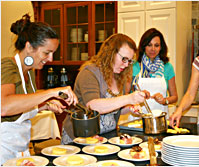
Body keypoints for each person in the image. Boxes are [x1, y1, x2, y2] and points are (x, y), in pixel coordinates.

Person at [1, 14, 78, 165]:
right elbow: (4, 106)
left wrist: (45, 106)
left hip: (20, 148)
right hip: (3, 150)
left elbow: (21, 107)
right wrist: (51, 92)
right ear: (29, 47)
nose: (50, 59)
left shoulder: (29, 72)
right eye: (46, 52)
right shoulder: (7, 66)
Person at [61, 33, 149, 144]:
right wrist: (129, 98)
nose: (126, 65)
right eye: (124, 59)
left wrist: (129, 108)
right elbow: (93, 106)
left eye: (129, 61)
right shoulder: (89, 73)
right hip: (80, 138)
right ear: (110, 53)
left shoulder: (118, 75)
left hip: (105, 137)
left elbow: (113, 109)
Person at [131, 28, 178, 118]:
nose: (153, 49)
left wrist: (164, 101)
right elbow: (126, 94)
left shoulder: (167, 67)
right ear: (143, 46)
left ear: (161, 47)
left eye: (156, 45)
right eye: (149, 45)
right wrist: (138, 94)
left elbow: (174, 97)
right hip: (137, 119)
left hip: (160, 119)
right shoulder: (134, 67)